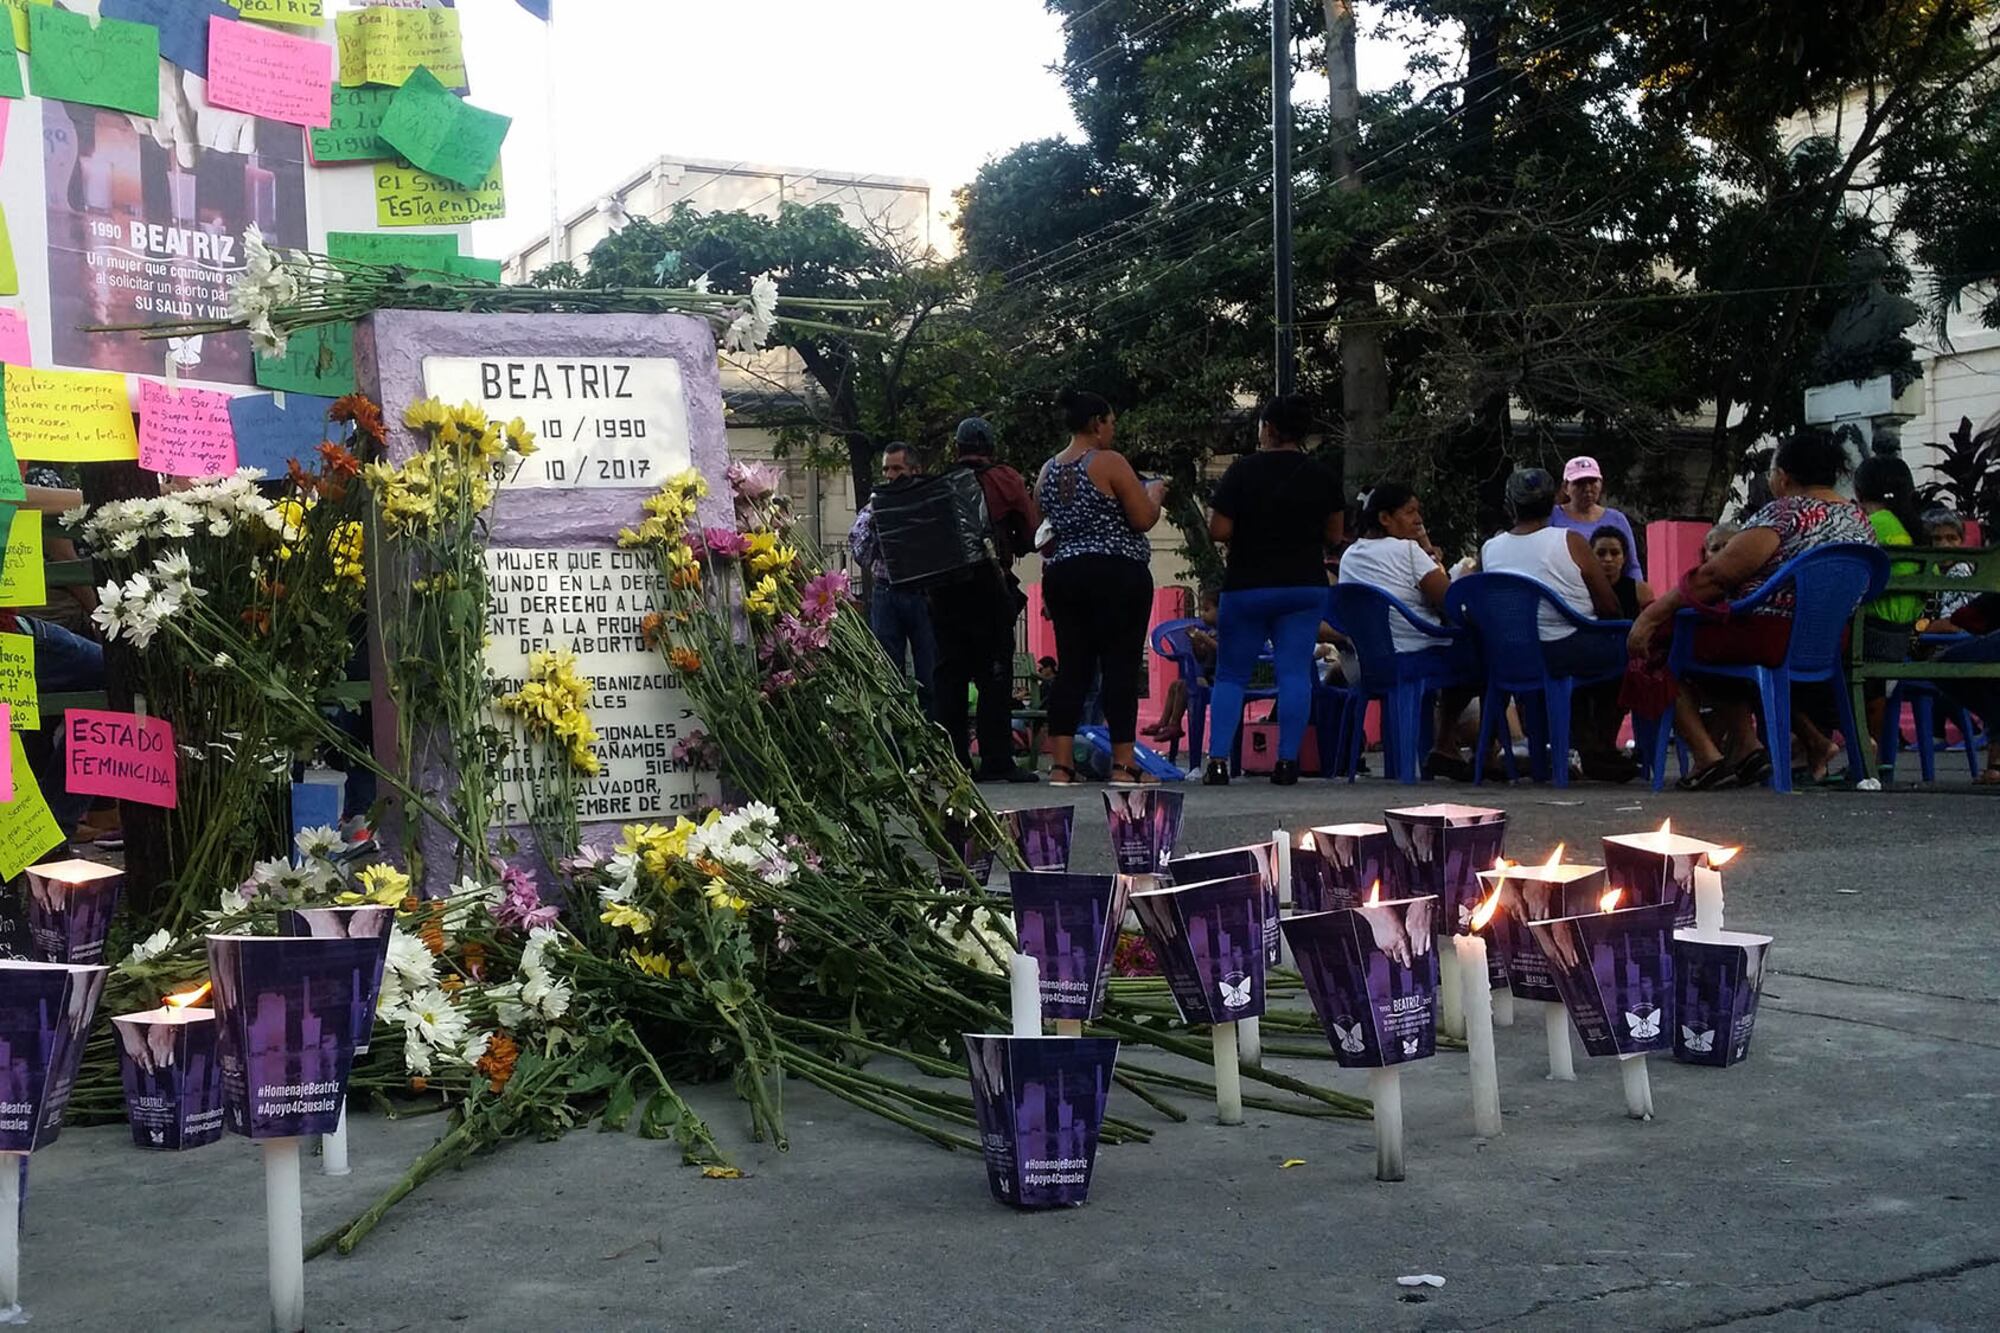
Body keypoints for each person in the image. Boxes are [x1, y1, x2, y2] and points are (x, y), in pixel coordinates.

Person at [1628, 431, 1877, 790]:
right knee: (1715, 651)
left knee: (1661, 642)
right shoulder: (1859, 519)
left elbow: (1716, 575)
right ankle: (1756, 746)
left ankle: (1707, 756)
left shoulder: (1785, 512)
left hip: (1769, 636)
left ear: (1783, 477)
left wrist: (1651, 616)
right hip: (1828, 639)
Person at [1200, 395, 1343, 786]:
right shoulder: (1322, 475)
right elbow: (1334, 534)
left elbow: (1219, 530)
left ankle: (1217, 762)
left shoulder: (1242, 471)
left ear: (1268, 428)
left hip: (1248, 584)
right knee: (1294, 673)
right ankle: (1287, 762)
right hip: (1304, 584)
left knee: (1231, 675)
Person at [1036, 390, 1164, 787]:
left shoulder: (1047, 470)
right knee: (1119, 665)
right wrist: (1155, 494)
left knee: (1072, 667)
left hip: (1064, 574)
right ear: (1096, 423)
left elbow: (1043, 524)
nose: (1112, 431)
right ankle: (1124, 765)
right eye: (1110, 424)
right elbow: (1141, 519)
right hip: (1116, 572)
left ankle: (1061, 766)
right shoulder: (1109, 461)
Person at [1480, 469, 1633, 781]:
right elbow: (1609, 605)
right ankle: (1598, 745)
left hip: (1512, 657)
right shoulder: (1571, 540)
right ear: (1553, 502)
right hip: (1567, 651)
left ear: (1510, 505)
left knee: (1571, 669)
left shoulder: (1490, 549)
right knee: (1625, 654)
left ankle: (1581, 746)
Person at [1336, 483, 1477, 779]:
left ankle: (1441, 748)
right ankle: (1448, 744)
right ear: (1385, 518)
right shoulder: (1408, 551)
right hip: (1414, 655)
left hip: (1371, 662)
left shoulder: (1350, 555)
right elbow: (1449, 599)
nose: (1418, 520)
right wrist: (1427, 550)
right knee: (1482, 661)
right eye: (1410, 512)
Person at [928, 418, 1040, 784]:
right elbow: (1031, 532)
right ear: (990, 448)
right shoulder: (1005, 479)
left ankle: (953, 762)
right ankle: (997, 760)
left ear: (957, 448)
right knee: (995, 675)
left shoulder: (939, 483)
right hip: (988, 586)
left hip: (944, 590)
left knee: (950, 676)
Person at [847, 443, 936, 712]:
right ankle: (898, 731)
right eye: (886, 469)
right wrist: (876, 523)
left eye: (897, 468)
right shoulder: (876, 504)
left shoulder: (930, 502)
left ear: (915, 470)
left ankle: (933, 730)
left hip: (924, 594)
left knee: (930, 674)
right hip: (887, 593)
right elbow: (860, 552)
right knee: (889, 674)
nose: (890, 475)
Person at [1854, 454, 1926, 744]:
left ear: (1859, 492)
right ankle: (1876, 746)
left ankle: (1811, 744)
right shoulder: (1917, 530)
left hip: (1865, 638)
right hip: (1901, 639)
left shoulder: (1870, 524)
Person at [1142, 588, 1217, 745]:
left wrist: (1205, 639)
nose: (1203, 615)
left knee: (1184, 685)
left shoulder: (1225, 633)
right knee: (1175, 685)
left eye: (1207, 610)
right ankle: (1163, 722)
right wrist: (1196, 643)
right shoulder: (1210, 632)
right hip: (1207, 677)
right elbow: (1202, 658)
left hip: (1218, 679)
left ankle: (1175, 724)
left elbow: (1222, 650)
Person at [1552, 456, 1644, 581]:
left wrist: (1635, 589)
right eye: (1579, 483)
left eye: (1592, 482)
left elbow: (1632, 566)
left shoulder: (1617, 519)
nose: (1587, 488)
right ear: (1566, 487)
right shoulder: (1552, 517)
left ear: (1601, 484)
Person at [1591, 525, 1655, 618]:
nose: (1608, 559)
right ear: (1591, 556)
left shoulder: (1640, 591)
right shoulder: (1581, 589)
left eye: (1614, 553)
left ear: (1624, 558)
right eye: (1601, 553)